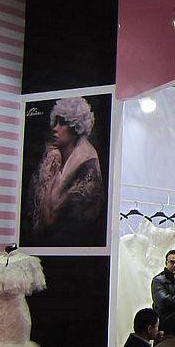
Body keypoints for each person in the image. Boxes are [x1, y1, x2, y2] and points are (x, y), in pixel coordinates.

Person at [26, 97, 106, 245]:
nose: (55, 128)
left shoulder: (87, 166)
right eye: (55, 122)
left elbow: (79, 221)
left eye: (62, 123)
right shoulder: (52, 160)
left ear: (75, 127)